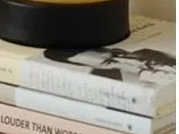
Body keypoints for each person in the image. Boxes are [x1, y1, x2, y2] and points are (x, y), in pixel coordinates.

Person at [41, 46, 175, 83]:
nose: (127, 61)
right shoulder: (136, 83)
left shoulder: (150, 53)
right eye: (111, 62)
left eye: (118, 55)